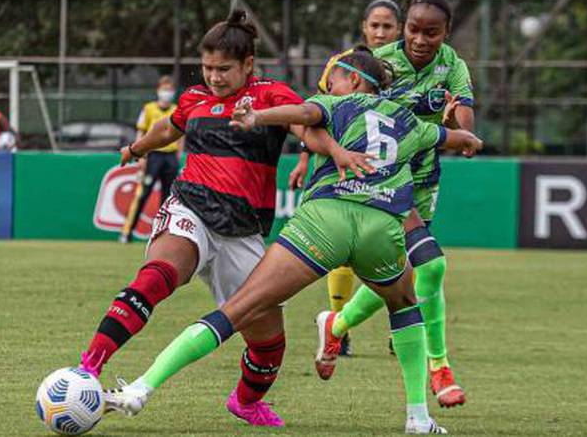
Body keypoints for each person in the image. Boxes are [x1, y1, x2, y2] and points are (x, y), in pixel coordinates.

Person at [103, 49, 482, 434]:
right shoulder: (408, 119)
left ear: (353, 80)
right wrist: (467, 137)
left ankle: (140, 388)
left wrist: (258, 117)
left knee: (238, 309)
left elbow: (303, 115)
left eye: (333, 75)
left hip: (326, 222)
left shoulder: (336, 102)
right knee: (404, 306)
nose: (326, 83)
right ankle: (418, 416)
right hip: (381, 227)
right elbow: (457, 138)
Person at [77, 10, 354, 427]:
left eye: (223, 69)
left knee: (269, 346)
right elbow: (169, 131)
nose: (214, 77)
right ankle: (89, 368)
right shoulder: (192, 100)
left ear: (248, 65)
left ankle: (245, 402)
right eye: (207, 68)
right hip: (190, 208)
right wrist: (137, 148)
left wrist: (332, 150)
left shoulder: (271, 95)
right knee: (158, 274)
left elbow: (306, 126)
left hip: (242, 233)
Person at [306, 0, 476, 408]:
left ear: (446, 33)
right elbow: (328, 110)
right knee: (431, 267)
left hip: (422, 182)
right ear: (404, 29)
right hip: (381, 183)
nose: (420, 40)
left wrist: (456, 120)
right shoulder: (381, 64)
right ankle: (439, 369)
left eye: (431, 33)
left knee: (401, 274)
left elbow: (468, 135)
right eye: (414, 30)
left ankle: (337, 324)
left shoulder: (453, 66)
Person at [309, 0, 403, 356]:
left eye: (388, 26)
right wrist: (307, 159)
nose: (380, 32)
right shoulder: (342, 65)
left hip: (392, 167)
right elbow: (318, 112)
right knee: (346, 251)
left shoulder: (405, 64)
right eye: (375, 25)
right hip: (346, 163)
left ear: (399, 29)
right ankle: (338, 324)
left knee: (398, 250)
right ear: (364, 27)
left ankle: (400, 326)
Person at [119, 76, 181, 244]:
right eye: (164, 89)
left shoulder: (177, 109)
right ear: (158, 90)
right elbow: (141, 132)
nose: (166, 93)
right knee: (143, 194)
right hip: (153, 156)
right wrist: (141, 155)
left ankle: (163, 234)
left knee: (168, 198)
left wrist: (178, 155)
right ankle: (127, 232)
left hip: (170, 157)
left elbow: (181, 135)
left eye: (170, 89)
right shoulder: (149, 109)